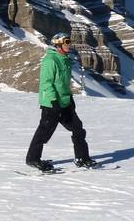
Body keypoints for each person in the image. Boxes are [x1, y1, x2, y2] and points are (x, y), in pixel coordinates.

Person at [25, 32, 99, 172]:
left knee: (77, 128)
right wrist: (53, 102)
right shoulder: (50, 60)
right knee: (44, 132)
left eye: (69, 42)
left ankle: (82, 158)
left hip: (64, 103)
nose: (69, 45)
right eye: (66, 42)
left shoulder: (65, 59)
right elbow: (46, 83)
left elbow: (63, 83)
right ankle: (32, 159)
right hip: (51, 103)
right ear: (58, 44)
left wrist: (69, 98)